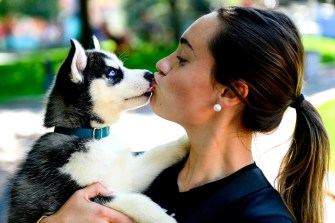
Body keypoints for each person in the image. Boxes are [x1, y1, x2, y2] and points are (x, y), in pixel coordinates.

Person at [40, 6, 329, 223]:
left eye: (182, 58)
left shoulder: (261, 218)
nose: (161, 64)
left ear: (229, 93)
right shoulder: (139, 171)